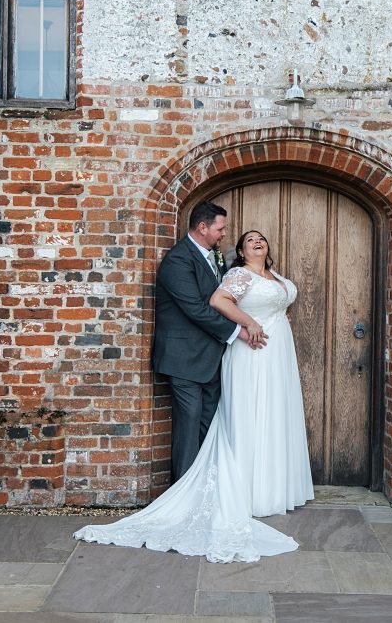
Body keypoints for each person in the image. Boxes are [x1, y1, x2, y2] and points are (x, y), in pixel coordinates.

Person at [74, 229, 314, 562]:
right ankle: (247, 491)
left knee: (275, 415)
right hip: (252, 350)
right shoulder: (238, 275)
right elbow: (218, 301)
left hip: (278, 353)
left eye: (261, 238)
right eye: (249, 240)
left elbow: (276, 302)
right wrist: (249, 324)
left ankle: (274, 487)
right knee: (249, 414)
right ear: (241, 252)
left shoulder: (276, 277)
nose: (257, 242)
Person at [148, 202, 261, 483]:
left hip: (211, 358)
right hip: (184, 360)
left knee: (208, 426)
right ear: (202, 227)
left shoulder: (216, 257)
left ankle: (204, 487)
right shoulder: (177, 261)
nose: (224, 234)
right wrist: (238, 331)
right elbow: (196, 309)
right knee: (188, 429)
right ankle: (183, 492)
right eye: (220, 228)